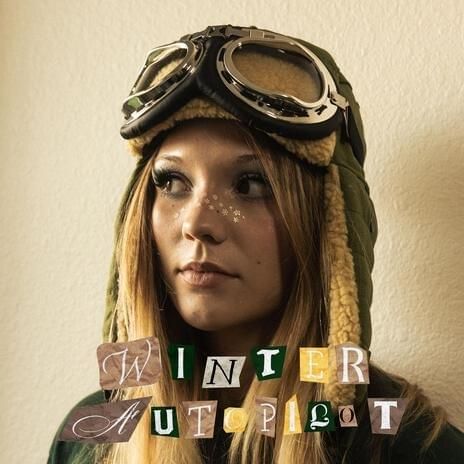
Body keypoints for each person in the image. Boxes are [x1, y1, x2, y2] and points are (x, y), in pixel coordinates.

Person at [48, 24, 464, 463]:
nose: (197, 223)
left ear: (328, 224)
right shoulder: (90, 438)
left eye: (249, 184)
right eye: (172, 182)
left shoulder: (407, 446)